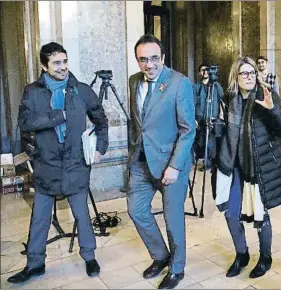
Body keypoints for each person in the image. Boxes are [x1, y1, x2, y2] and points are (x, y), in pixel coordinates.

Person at [8, 42, 108, 284]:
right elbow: (25, 122)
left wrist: (100, 148)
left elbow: (101, 119)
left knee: (82, 214)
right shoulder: (32, 92)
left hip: (76, 163)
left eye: (64, 61)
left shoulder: (81, 90)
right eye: (56, 63)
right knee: (40, 217)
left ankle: (89, 256)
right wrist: (58, 116)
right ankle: (35, 264)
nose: (63, 67)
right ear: (44, 65)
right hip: (46, 165)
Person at [215, 56, 281, 279]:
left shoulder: (265, 95)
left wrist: (272, 109)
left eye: (252, 72)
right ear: (236, 77)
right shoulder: (229, 99)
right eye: (244, 73)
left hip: (258, 165)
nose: (249, 77)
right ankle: (241, 254)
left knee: (261, 216)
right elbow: (224, 134)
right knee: (231, 214)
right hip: (233, 165)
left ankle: (265, 257)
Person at [126, 34, 195, 289]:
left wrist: (175, 166)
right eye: (143, 60)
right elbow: (137, 124)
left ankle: (177, 269)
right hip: (141, 162)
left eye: (154, 58)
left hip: (171, 164)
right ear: (138, 61)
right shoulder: (134, 81)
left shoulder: (179, 83)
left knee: (173, 219)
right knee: (136, 210)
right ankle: (161, 256)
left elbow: (188, 129)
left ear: (163, 58)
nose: (149, 65)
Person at [192, 63, 224, 171]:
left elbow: (222, 99)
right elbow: (191, 102)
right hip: (199, 117)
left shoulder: (215, 85)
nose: (205, 72)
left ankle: (208, 163)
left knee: (210, 141)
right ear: (199, 72)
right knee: (200, 141)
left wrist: (221, 114)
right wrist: (193, 118)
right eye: (202, 70)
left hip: (212, 117)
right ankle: (201, 159)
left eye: (207, 70)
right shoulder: (196, 86)